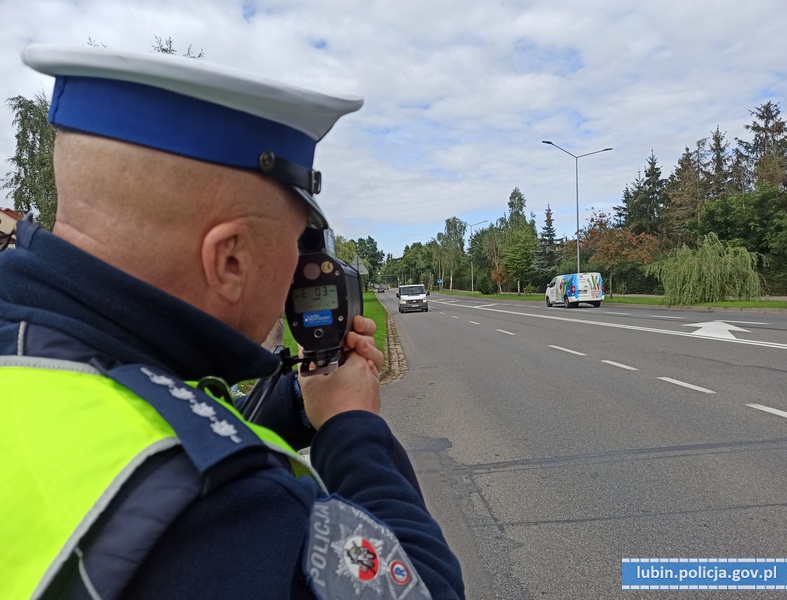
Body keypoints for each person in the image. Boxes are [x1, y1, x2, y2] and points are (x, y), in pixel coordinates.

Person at [0, 44, 464, 599]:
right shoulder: (225, 508)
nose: (300, 265)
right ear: (231, 260)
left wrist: (298, 400)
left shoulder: (35, 341)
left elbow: (146, 401)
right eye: (296, 243)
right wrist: (350, 425)